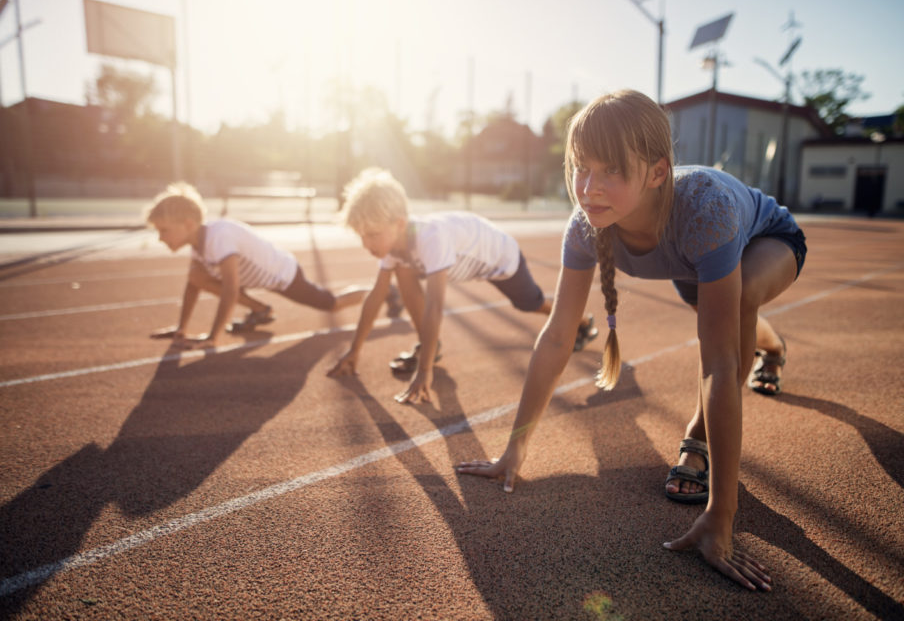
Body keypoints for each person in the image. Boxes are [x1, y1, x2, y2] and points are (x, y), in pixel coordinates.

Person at [456, 89, 807, 591]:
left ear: (658, 171)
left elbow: (719, 367)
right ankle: (773, 347)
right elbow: (558, 337)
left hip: (767, 241)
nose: (590, 188)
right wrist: (513, 450)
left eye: (612, 172)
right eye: (581, 168)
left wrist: (721, 515)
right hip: (695, 261)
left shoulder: (704, 211)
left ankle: (698, 436)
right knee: (728, 319)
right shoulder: (584, 228)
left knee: (739, 308)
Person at [327, 167, 598, 404]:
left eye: (372, 235)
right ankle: (429, 346)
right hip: (468, 254)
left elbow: (434, 307)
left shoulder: (430, 239)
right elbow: (376, 296)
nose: (367, 244)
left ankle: (581, 322)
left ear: (399, 224)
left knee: (530, 304)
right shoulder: (393, 245)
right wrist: (354, 351)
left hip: (500, 258)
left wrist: (424, 372)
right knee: (402, 271)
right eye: (362, 236)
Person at [145, 182, 391, 349]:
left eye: (164, 230)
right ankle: (261, 310)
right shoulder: (198, 242)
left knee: (332, 304)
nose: (160, 238)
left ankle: (386, 293)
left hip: (283, 274)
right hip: (257, 279)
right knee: (196, 276)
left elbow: (231, 289)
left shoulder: (219, 237)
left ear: (188, 224)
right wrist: (181, 328)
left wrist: (212, 337)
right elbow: (193, 285)